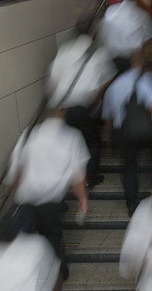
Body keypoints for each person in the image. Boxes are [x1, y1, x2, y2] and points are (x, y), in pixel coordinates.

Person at [5, 109, 90, 283]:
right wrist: (83, 199)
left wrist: (13, 192)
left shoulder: (28, 134)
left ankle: (20, 275)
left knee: (21, 238)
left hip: (25, 199)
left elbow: (16, 169)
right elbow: (77, 176)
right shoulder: (72, 137)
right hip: (49, 200)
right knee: (52, 237)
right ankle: (58, 274)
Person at [46, 28, 116, 189]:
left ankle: (62, 183)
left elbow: (52, 82)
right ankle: (88, 179)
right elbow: (109, 77)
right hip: (82, 108)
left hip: (63, 110)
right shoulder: (98, 53)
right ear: (92, 35)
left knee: (66, 145)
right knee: (93, 142)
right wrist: (97, 98)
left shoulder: (64, 51)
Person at [102, 49, 152, 215]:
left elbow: (108, 118)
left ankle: (132, 204)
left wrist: (111, 136)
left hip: (123, 132)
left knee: (129, 167)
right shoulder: (143, 79)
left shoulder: (111, 88)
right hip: (144, 128)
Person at [100, 0, 152, 70]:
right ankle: (137, 67)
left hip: (114, 28)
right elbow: (148, 2)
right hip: (132, 21)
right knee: (140, 44)